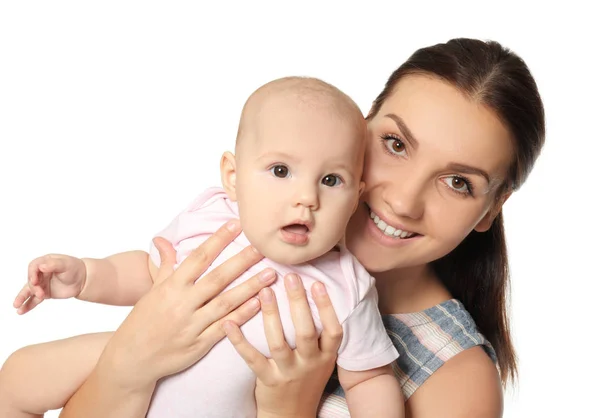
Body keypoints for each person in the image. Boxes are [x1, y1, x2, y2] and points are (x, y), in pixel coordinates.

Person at [10, 37, 546, 418]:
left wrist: (290, 409)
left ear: (490, 209)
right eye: (396, 144)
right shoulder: (239, 219)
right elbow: (146, 271)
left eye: (458, 182)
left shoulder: (454, 377)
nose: (403, 200)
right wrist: (127, 361)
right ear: (360, 127)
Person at [0, 77, 404, 418]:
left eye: (331, 180)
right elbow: (150, 270)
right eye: (281, 171)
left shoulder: (346, 286)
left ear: (356, 198)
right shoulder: (213, 218)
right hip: (129, 367)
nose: (306, 198)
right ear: (233, 176)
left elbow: (369, 376)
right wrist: (88, 275)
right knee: (18, 373)